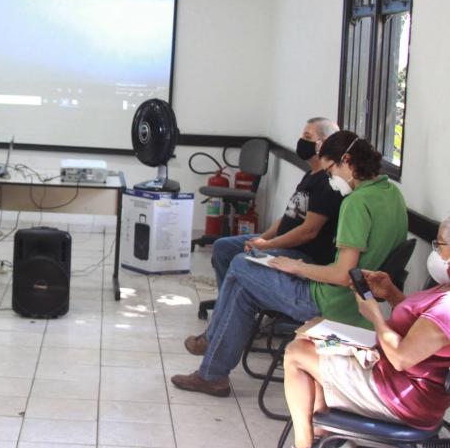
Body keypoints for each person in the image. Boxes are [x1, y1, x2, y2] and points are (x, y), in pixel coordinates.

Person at [172, 131, 408, 396]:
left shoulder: (356, 203)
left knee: (239, 264)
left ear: (348, 161)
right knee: (243, 287)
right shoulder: (392, 194)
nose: (330, 179)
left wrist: (295, 267)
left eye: (331, 170)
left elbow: (343, 275)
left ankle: (212, 361)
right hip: (359, 305)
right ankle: (212, 371)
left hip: (332, 303)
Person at [270, 215, 450, 448]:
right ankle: (325, 438)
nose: (436, 251)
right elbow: (417, 327)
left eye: (441, 244)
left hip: (402, 395)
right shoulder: (444, 289)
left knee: (297, 355)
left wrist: (375, 315)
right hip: (391, 375)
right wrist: (390, 293)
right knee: (310, 343)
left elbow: (402, 357)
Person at [185, 117, 343, 355]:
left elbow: (307, 231)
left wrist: (267, 245)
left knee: (242, 261)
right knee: (224, 247)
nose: (301, 142)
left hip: (301, 255)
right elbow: (288, 218)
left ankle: (217, 333)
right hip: (282, 242)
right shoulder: (309, 175)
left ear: (324, 144)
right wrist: (263, 238)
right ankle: (233, 314)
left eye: (308, 138)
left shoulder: (327, 184)